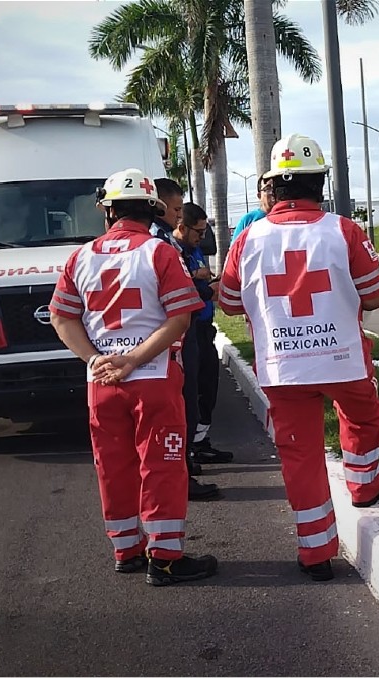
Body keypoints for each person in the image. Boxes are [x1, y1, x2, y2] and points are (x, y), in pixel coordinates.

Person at [218, 133, 379, 582]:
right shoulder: (345, 231)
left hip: (282, 366)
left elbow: (230, 303)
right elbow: (376, 295)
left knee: (301, 454)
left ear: (273, 187)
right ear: (320, 183)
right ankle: (364, 485)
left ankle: (315, 553)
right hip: (343, 359)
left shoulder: (247, 238)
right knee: (363, 415)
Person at [49, 167, 218, 587]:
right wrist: (133, 359)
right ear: (153, 211)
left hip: (102, 384)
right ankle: (165, 558)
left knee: (113, 465)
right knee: (162, 465)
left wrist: (95, 359)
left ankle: (126, 549)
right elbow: (180, 318)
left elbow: (61, 317)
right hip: (154, 380)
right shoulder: (160, 253)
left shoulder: (80, 257)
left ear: (108, 212)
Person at [151, 177, 221, 501]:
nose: (179, 216)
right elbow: (176, 289)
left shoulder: (165, 240)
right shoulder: (158, 243)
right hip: (176, 334)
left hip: (188, 331)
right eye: (176, 209)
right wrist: (206, 290)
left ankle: (185, 466)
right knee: (182, 405)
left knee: (190, 401)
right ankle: (181, 474)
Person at [177, 202, 234, 466]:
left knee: (208, 387)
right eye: (198, 232)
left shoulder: (195, 249)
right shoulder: (171, 250)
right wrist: (197, 279)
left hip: (204, 325)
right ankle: (188, 448)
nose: (202, 237)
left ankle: (200, 441)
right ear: (182, 227)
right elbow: (173, 285)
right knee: (192, 391)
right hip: (187, 329)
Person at [230, 175, 273, 246]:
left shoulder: (287, 218)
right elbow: (235, 248)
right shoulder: (248, 220)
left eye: (275, 188)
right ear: (259, 195)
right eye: (268, 189)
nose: (272, 193)